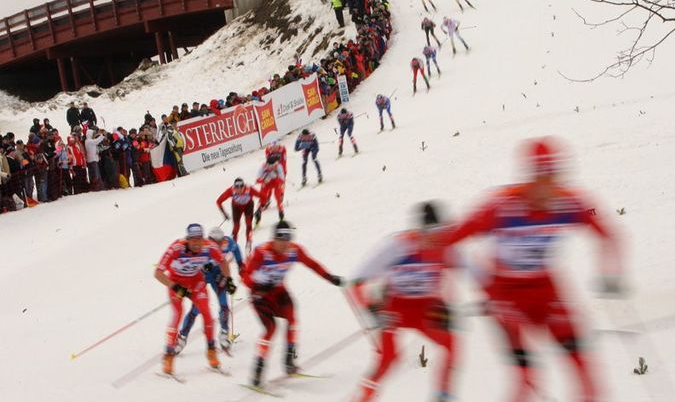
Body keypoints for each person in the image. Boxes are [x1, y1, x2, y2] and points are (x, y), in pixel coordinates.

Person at [440, 137, 625, 402]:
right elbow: (446, 243)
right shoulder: (501, 205)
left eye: (552, 177)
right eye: (540, 178)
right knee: (526, 379)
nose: (546, 188)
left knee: (583, 368)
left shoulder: (568, 202)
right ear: (530, 176)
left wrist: (610, 275)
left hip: (545, 288)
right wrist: (477, 283)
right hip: (505, 292)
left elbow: (610, 236)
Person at [349, 202, 459, 402]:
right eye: (431, 230)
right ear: (420, 230)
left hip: (425, 309)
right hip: (395, 310)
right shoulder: (397, 246)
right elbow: (356, 281)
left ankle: (443, 396)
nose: (436, 236)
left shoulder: (445, 246)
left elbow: (452, 275)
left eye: (440, 230)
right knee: (389, 359)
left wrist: (445, 305)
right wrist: (373, 311)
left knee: (451, 344)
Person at [242, 220, 343, 388]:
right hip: (260, 294)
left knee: (292, 319)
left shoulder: (294, 251)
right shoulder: (262, 252)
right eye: (281, 240)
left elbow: (312, 264)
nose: (284, 244)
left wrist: (330, 277)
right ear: (273, 239)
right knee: (271, 329)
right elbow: (245, 275)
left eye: (287, 240)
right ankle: (258, 369)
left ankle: (289, 360)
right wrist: (257, 286)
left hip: (279, 291)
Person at [154, 223, 233, 374]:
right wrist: (175, 287)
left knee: (207, 314)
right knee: (177, 314)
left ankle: (211, 351)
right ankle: (169, 355)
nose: (197, 244)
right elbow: (158, 273)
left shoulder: (209, 247)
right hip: (177, 282)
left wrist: (228, 279)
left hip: (196, 282)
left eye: (199, 240)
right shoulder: (176, 248)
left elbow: (223, 261)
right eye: (193, 240)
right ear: (187, 240)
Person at [175, 227, 241, 355]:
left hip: (218, 275)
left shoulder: (228, 243)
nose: (217, 244)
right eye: (214, 241)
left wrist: (236, 272)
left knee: (224, 304)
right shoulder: (203, 246)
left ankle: (224, 333)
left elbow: (236, 250)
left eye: (219, 241)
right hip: (203, 277)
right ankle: (182, 337)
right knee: (196, 309)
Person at [216, 177, 261, 251]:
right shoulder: (230, 191)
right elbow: (218, 201)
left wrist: (260, 209)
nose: (239, 189)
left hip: (248, 206)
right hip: (236, 208)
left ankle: (248, 242)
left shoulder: (249, 189)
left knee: (248, 223)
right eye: (237, 187)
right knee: (236, 227)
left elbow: (263, 197)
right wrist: (224, 214)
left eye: (241, 187)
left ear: (244, 186)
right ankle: (233, 246)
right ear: (234, 187)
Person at [256, 156, 286, 222]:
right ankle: (258, 213)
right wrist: (263, 180)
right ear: (267, 164)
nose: (272, 168)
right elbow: (257, 179)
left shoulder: (278, 166)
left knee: (278, 198)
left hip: (276, 182)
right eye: (270, 166)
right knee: (262, 198)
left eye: (274, 166)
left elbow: (282, 179)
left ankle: (281, 212)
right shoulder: (262, 167)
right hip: (266, 183)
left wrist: (278, 179)